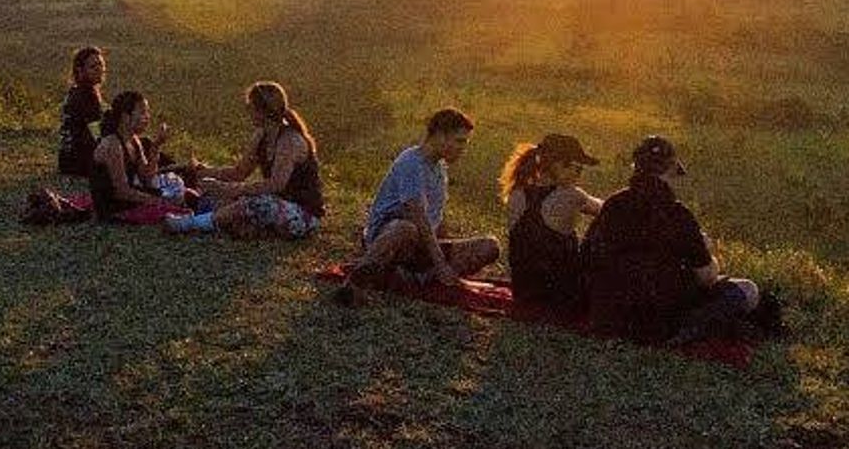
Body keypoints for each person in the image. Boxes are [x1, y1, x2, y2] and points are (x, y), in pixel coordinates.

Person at [583, 135, 760, 345]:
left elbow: (589, 254)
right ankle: (683, 333)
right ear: (671, 169)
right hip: (659, 316)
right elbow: (706, 277)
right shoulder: (677, 214)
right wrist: (707, 251)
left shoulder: (612, 204)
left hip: (610, 314)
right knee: (747, 290)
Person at [333, 108, 501, 306]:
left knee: (489, 245)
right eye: (459, 141)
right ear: (439, 135)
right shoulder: (411, 162)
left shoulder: (439, 167)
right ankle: (357, 282)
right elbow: (417, 215)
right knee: (405, 228)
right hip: (393, 239)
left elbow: (434, 218)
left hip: (421, 248)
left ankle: (408, 277)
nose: (463, 148)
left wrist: (446, 254)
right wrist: (440, 263)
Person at [164, 81, 324, 239]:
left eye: (250, 107)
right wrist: (203, 172)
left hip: (303, 213)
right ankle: (238, 225)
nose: (248, 112)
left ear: (262, 111)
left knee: (256, 203)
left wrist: (232, 189)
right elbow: (239, 172)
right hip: (279, 204)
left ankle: (192, 224)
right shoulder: (261, 136)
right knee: (226, 200)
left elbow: (275, 184)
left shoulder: (289, 140)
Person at [500, 133, 602, 311]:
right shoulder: (572, 195)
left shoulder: (516, 193)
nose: (578, 176)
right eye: (577, 169)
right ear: (557, 165)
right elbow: (609, 209)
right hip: (561, 297)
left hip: (523, 291)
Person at [89, 91, 171, 221]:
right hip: (114, 207)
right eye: (143, 113)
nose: (147, 117)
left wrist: (156, 146)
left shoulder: (134, 140)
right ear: (125, 117)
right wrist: (154, 200)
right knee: (174, 209)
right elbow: (120, 190)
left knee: (184, 196)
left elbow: (147, 177)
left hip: (128, 199)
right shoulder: (112, 144)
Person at [58, 46, 106, 176]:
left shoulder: (75, 91)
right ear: (80, 70)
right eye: (93, 66)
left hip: (67, 160)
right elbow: (97, 133)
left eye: (101, 64)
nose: (99, 69)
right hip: (79, 162)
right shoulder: (87, 94)